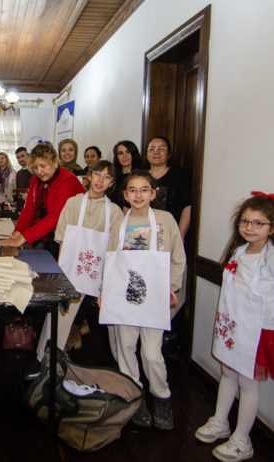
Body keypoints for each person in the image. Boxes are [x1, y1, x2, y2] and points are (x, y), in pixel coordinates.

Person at [25, 160, 123, 379]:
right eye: (97, 174)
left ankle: (47, 361)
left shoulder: (114, 212)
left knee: (82, 319)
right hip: (68, 269)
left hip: (96, 274)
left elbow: (113, 249)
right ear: (89, 176)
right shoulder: (73, 203)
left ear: (111, 183)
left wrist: (106, 283)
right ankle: (44, 359)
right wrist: (60, 272)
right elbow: (62, 239)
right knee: (58, 315)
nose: (100, 180)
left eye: (107, 177)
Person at [195, 193, 274, 462]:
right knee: (227, 372)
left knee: (247, 382)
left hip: (255, 329)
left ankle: (242, 439)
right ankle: (221, 421)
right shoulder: (240, 251)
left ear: (271, 228)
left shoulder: (270, 257)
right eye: (245, 221)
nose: (249, 227)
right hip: (231, 325)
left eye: (258, 223)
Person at [104, 170, 185, 430]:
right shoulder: (120, 222)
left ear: (153, 193)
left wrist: (171, 286)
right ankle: (134, 397)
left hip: (155, 298)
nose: (138, 195)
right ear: (125, 195)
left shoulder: (165, 220)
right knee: (125, 347)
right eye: (132, 190)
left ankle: (161, 397)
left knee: (151, 353)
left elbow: (178, 258)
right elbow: (110, 259)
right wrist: (105, 290)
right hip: (123, 296)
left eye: (144, 189)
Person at [0, 143, 85, 257]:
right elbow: (29, 210)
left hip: (69, 237)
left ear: (55, 163)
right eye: (35, 167)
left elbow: (55, 218)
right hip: (47, 235)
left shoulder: (68, 181)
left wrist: (23, 237)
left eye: (43, 166)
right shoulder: (35, 179)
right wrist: (17, 231)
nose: (39, 171)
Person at [145, 136, 191, 241]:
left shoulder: (180, 176)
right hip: (142, 231)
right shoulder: (139, 175)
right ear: (146, 154)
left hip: (170, 232)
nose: (156, 152)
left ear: (169, 154)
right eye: (152, 149)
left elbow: (188, 207)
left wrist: (180, 235)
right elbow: (128, 205)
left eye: (161, 149)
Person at [110, 140, 143, 209]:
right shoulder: (112, 177)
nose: (124, 156)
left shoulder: (142, 176)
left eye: (128, 152)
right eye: (120, 153)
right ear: (117, 157)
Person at [14, 146, 32, 210]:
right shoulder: (18, 173)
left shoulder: (35, 171)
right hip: (20, 208)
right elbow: (19, 193)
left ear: (28, 155)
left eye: (22, 156)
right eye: (18, 157)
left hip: (33, 208)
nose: (20, 159)